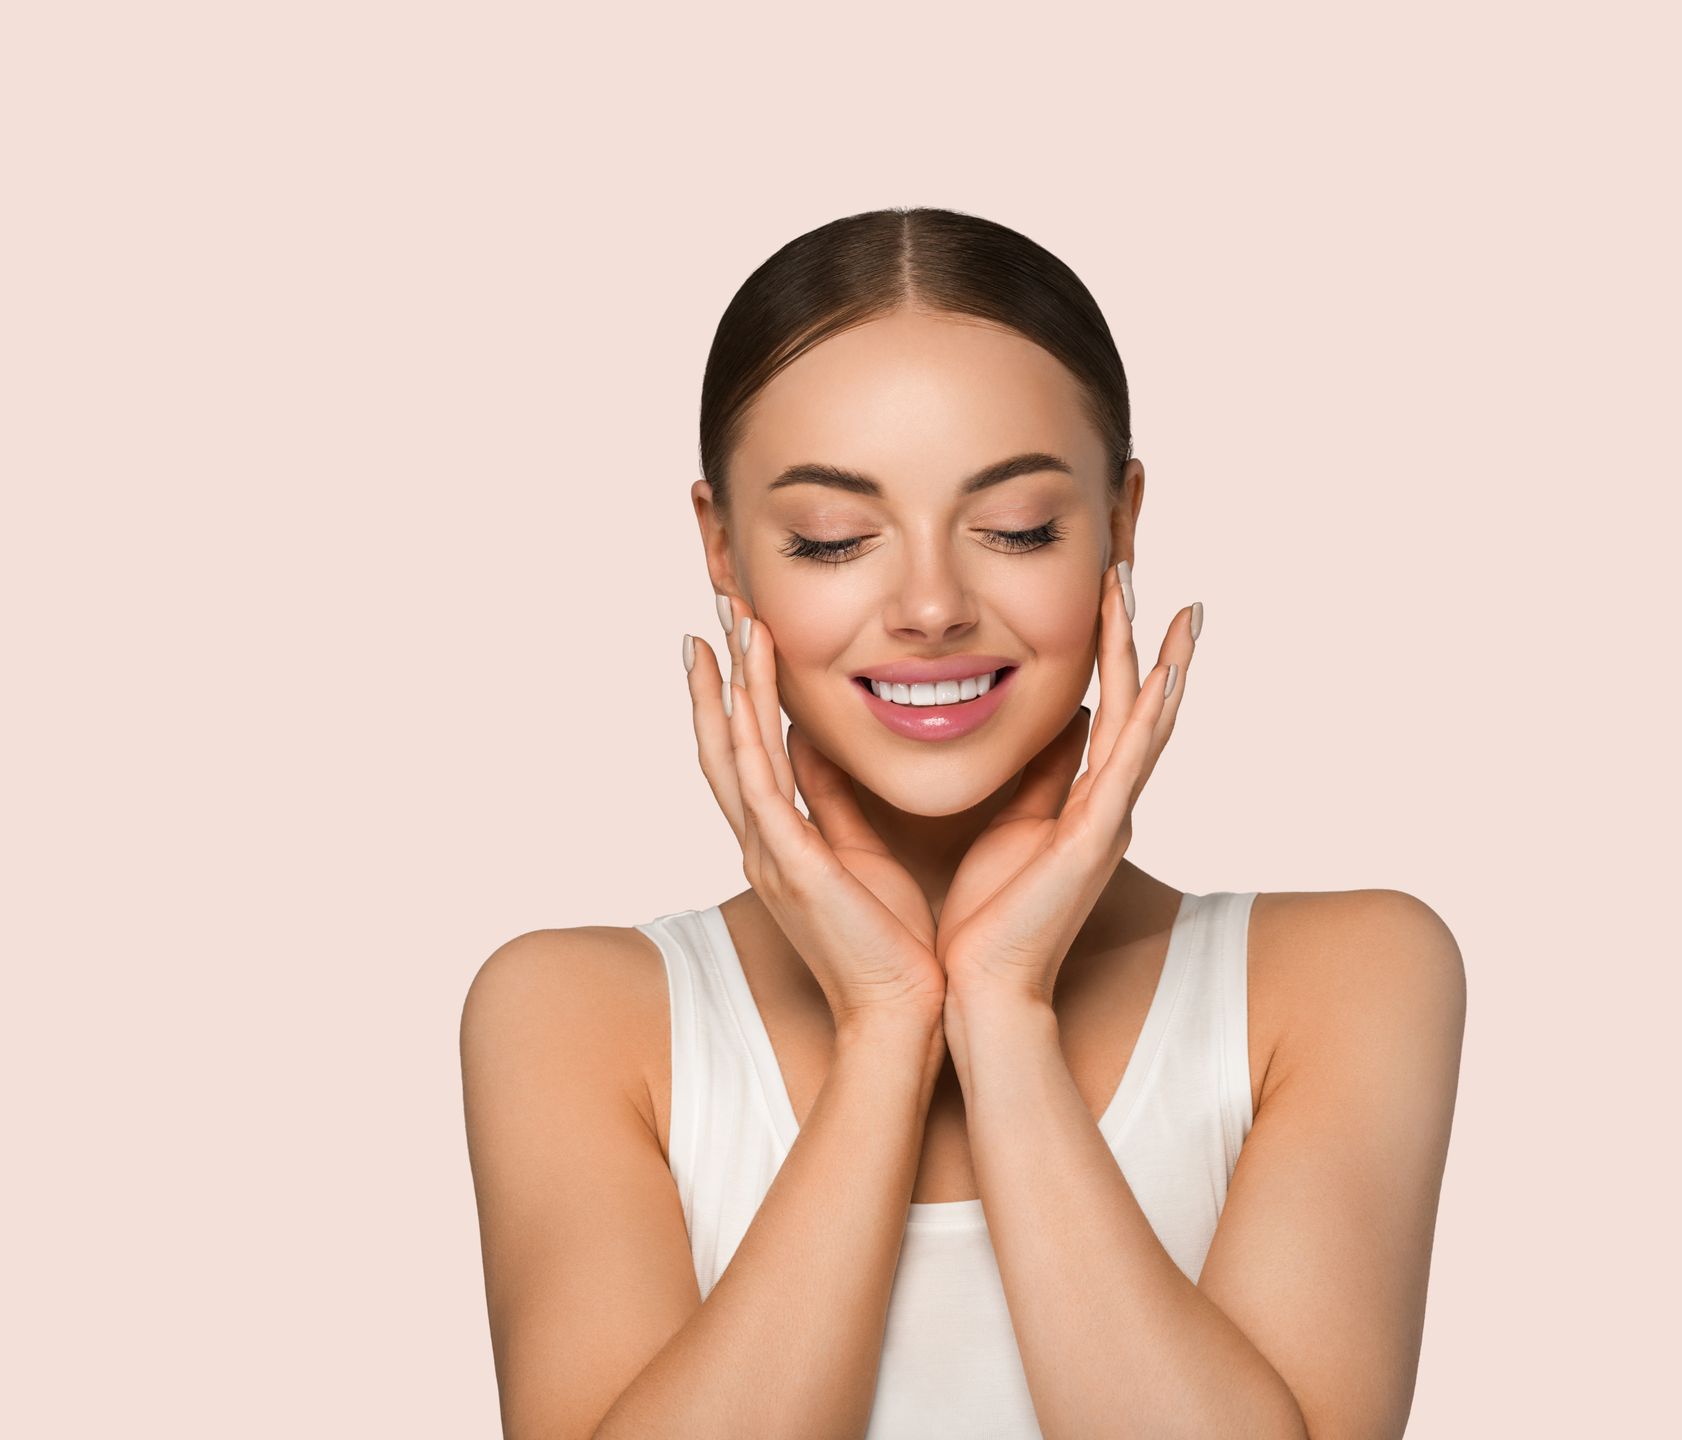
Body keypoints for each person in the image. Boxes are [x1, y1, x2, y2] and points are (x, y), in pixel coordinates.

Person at [461, 207, 1467, 1440]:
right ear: (723, 548)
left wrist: (1003, 1010)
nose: (932, 605)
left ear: (1122, 522)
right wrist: (890, 1025)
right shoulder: (573, 1014)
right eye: (833, 539)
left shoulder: (1346, 979)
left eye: (1019, 529)